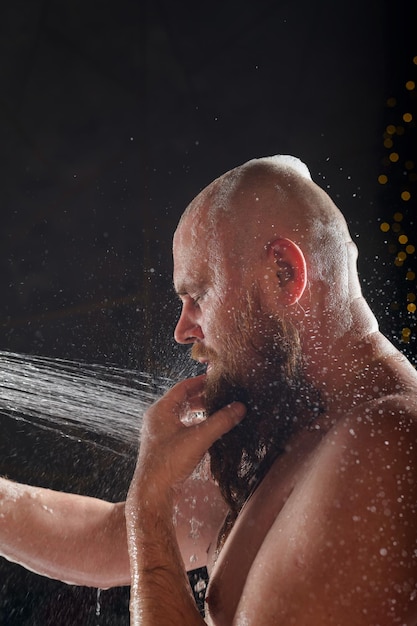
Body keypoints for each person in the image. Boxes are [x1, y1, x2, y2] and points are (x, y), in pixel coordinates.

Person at [1, 155, 416, 625]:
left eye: (197, 296)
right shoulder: (299, 432)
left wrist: (151, 507)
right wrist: (145, 510)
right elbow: (107, 539)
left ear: (284, 272)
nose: (182, 330)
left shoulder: (386, 443)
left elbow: (142, 528)